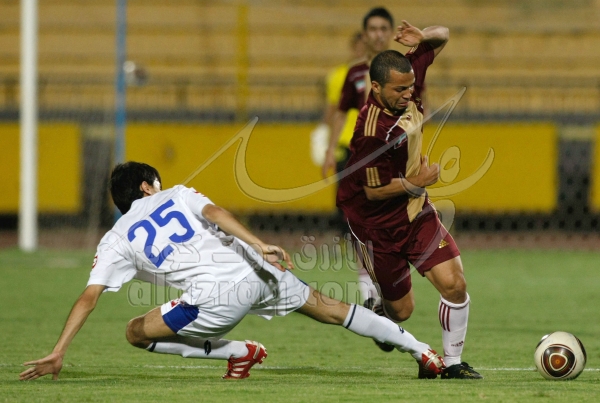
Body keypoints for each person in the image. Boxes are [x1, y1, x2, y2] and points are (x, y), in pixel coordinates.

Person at [20, 161, 445, 381]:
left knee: (135, 331)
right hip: (258, 269)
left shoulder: (114, 239)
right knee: (333, 309)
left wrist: (59, 351)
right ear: (148, 186)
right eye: (156, 182)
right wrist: (259, 244)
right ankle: (422, 350)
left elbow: (89, 297)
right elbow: (217, 213)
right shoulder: (178, 193)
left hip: (215, 299)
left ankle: (237, 352)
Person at [336, 22, 483, 379]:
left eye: (410, 88)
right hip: (378, 226)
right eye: (399, 90)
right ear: (376, 87)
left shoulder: (406, 75)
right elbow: (373, 191)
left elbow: (445, 34)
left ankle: (452, 364)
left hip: (416, 213)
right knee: (401, 311)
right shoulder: (371, 132)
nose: (407, 94)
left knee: (455, 284)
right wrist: (418, 181)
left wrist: (424, 37)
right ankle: (379, 313)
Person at [321, 6, 397, 307]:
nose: (378, 35)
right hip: (355, 157)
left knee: (391, 223)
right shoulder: (353, 74)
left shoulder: (403, 71)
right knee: (357, 223)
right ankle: (368, 290)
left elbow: (421, 108)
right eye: (373, 29)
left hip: (392, 157)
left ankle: (390, 286)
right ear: (365, 35)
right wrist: (330, 150)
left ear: (390, 33)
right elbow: (340, 112)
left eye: (383, 29)